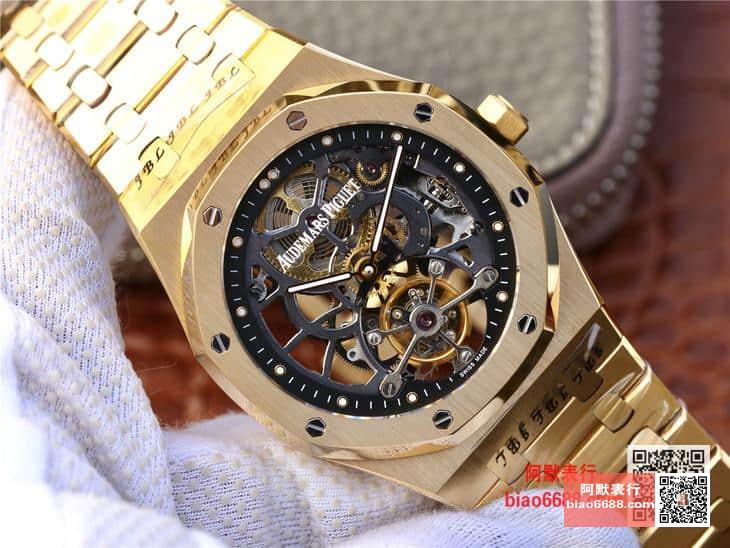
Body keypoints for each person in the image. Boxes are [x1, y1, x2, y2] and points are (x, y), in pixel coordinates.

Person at [0, 70, 637, 547]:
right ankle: (674, 503)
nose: (367, 269)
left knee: (648, 492)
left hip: (547, 344)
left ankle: (686, 505)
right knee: (632, 509)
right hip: (447, 406)